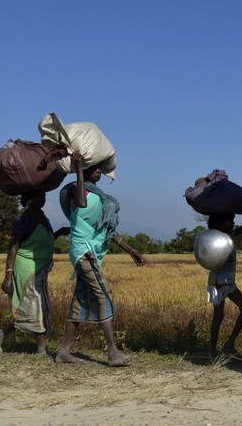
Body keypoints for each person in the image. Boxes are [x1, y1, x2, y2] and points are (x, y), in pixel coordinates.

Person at [54, 152, 146, 366]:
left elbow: (108, 230)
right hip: (82, 252)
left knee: (81, 302)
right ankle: (113, 353)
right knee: (104, 294)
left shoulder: (101, 197)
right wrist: (78, 167)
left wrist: (131, 250)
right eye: (96, 170)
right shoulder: (79, 192)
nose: (100, 174)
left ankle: (63, 352)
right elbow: (83, 204)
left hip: (93, 254)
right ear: (85, 171)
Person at [0, 191, 69, 355]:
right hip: (26, 269)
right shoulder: (23, 218)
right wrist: (8, 275)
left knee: (33, 306)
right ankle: (41, 348)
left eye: (44, 196)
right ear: (28, 199)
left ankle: (2, 333)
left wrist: (57, 234)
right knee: (35, 306)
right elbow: (14, 246)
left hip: (39, 267)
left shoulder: (40, 217)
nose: (43, 199)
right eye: (39, 196)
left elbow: (42, 240)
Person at [206, 212, 242, 358]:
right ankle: (227, 346)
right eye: (230, 220)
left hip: (220, 281)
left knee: (219, 316)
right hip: (221, 282)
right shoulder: (214, 238)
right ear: (220, 223)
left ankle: (214, 352)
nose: (233, 223)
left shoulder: (230, 234)